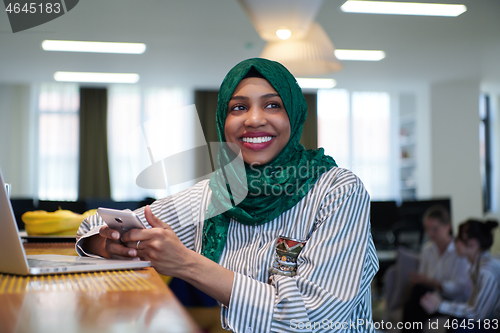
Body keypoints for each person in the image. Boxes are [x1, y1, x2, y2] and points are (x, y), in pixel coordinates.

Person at [76, 58, 379, 332]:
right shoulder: (215, 193)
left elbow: (314, 320)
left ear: (295, 116)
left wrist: (187, 264)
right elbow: (92, 225)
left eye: (273, 105)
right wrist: (110, 246)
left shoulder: (338, 190)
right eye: (239, 107)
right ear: (223, 120)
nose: (254, 119)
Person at [420, 219, 500, 332]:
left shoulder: (487, 270)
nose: (454, 242)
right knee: (454, 321)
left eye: (458, 239)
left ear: (473, 243)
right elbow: (472, 305)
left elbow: (479, 313)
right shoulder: (477, 267)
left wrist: (440, 305)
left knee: (460, 326)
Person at [402, 205, 471, 332]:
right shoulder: (427, 249)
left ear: (447, 226)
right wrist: (419, 280)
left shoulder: (460, 251)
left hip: (451, 300)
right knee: (415, 298)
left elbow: (460, 289)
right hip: (431, 296)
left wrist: (431, 282)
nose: (430, 234)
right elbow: (424, 280)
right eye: (427, 229)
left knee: (415, 302)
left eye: (435, 229)